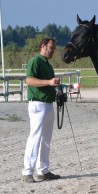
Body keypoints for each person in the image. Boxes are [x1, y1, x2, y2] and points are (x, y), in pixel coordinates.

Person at [22, 38, 61, 183]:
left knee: (46, 139)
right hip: (38, 104)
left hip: (48, 104)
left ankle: (43, 170)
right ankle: (27, 171)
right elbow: (29, 80)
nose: (53, 50)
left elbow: (47, 84)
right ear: (43, 46)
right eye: (51, 47)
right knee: (35, 138)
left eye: (54, 48)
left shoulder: (47, 65)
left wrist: (55, 88)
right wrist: (49, 82)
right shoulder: (35, 61)